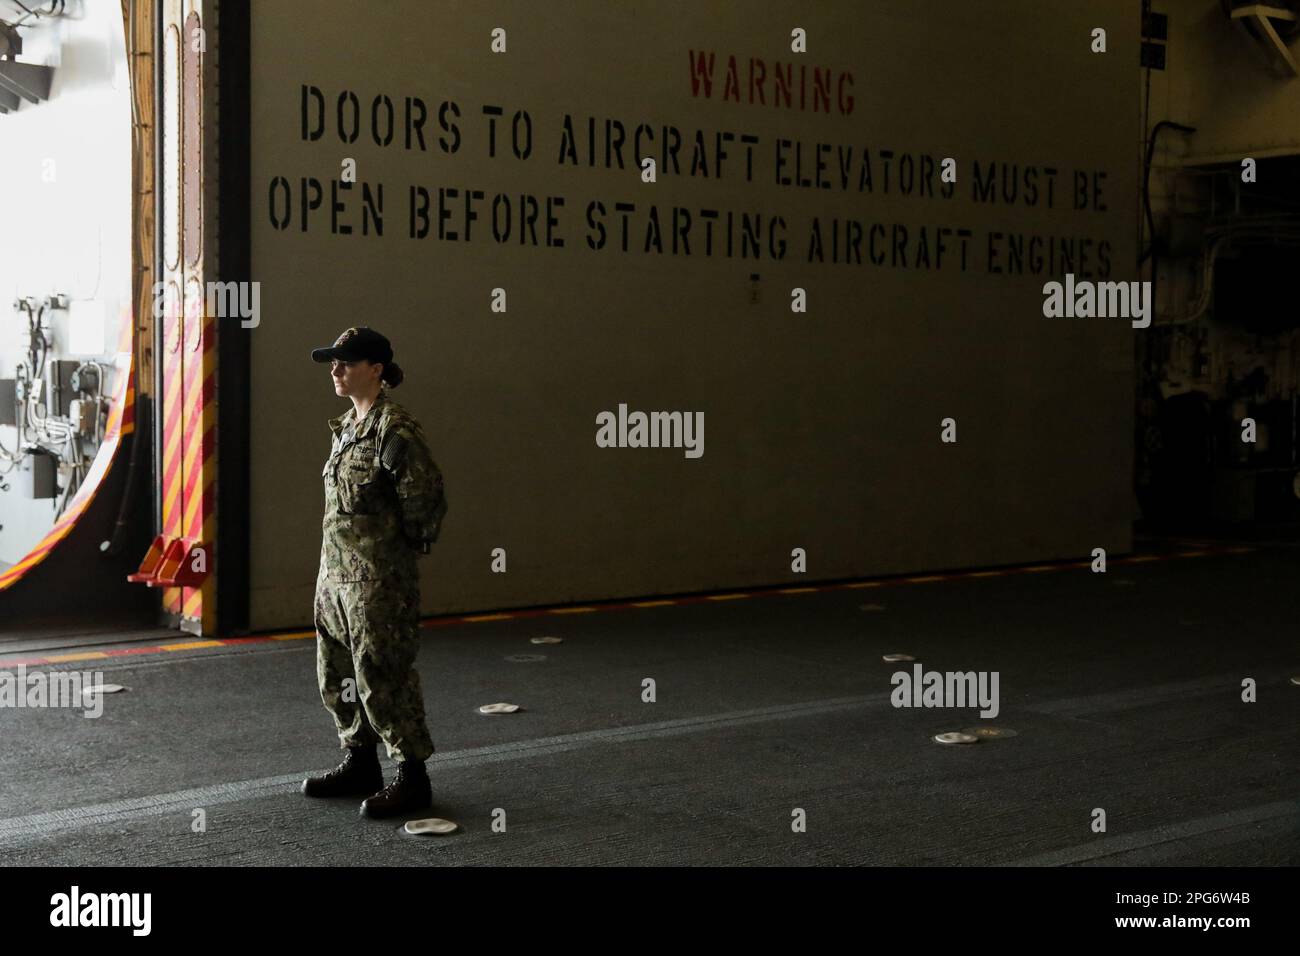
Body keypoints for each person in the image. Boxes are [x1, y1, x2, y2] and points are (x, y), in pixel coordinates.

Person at [300, 327, 447, 818]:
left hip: (377, 582)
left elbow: (424, 500)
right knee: (336, 674)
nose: (336, 370)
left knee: (383, 675)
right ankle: (359, 760)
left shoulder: (394, 429)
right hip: (335, 579)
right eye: (333, 362)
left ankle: (412, 776)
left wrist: (390, 559)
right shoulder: (345, 428)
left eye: (346, 362)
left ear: (376, 369)